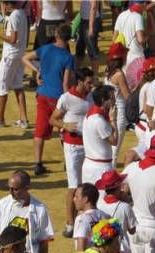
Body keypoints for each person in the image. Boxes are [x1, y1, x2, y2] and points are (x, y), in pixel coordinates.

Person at [21, 24, 75, 178]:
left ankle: (38, 164)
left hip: (43, 95)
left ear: (57, 36)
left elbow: (24, 58)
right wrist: (69, 100)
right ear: (69, 38)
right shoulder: (68, 57)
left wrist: (37, 71)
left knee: (39, 131)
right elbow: (65, 83)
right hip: (58, 97)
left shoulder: (45, 49)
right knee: (63, 130)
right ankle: (68, 161)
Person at [49, 67, 94, 234]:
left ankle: (80, 220)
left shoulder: (91, 97)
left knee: (85, 183)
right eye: (89, 82)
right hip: (72, 146)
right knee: (73, 185)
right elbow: (52, 119)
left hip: (88, 145)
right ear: (80, 82)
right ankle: (70, 223)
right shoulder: (66, 98)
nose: (91, 85)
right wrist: (65, 125)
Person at [0, 170, 53, 253]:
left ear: (27, 188)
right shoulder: (3, 204)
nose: (11, 192)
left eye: (15, 189)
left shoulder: (40, 209)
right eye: (9, 188)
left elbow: (43, 242)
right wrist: (2, 248)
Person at [0, 1, 29, 130]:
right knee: (18, 85)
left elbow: (12, 39)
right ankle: (23, 119)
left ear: (8, 4)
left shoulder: (13, 16)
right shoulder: (21, 13)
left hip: (10, 55)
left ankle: (0, 118)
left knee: (2, 86)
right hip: (20, 54)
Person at [81, 85, 118, 190]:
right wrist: (113, 120)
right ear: (103, 100)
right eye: (111, 98)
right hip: (100, 168)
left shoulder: (90, 114)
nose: (114, 101)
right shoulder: (99, 120)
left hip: (90, 165)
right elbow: (114, 141)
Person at [72, 183, 107, 251]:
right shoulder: (105, 215)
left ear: (85, 199)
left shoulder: (81, 219)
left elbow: (81, 248)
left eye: (76, 197)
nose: (74, 199)